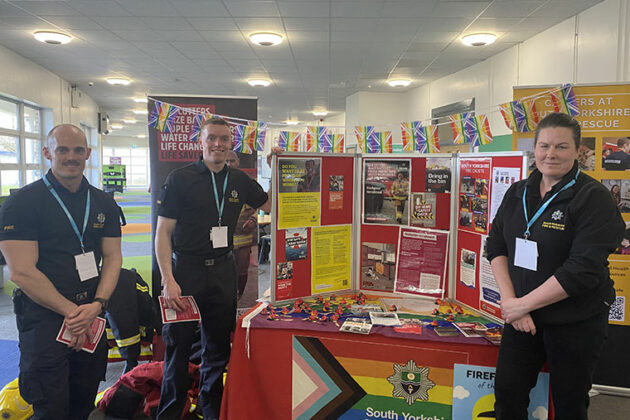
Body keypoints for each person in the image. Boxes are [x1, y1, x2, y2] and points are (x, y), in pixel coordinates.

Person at [486, 113, 624, 420]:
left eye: (562, 146)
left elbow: (581, 270)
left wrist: (521, 305)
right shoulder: (518, 191)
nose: (551, 154)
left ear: (578, 151)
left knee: (569, 405)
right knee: (507, 399)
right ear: (534, 149)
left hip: (575, 320)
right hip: (522, 317)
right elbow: (495, 246)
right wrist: (511, 303)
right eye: (544, 145)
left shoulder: (593, 198)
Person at [155, 117, 275, 419]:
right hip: (186, 272)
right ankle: (170, 413)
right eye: (212, 138)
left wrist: (277, 170)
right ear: (201, 141)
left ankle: (211, 413)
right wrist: (168, 279)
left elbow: (272, 206)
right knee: (178, 350)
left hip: (222, 271)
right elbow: (163, 233)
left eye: (224, 139)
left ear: (231, 142)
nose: (218, 145)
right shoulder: (180, 179)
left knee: (217, 350)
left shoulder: (239, 180)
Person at [0, 124, 122, 419]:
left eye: (78, 150)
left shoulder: (103, 201)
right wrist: (73, 312)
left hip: (91, 312)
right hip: (45, 317)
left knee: (84, 399)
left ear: (88, 154)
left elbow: (113, 257)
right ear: (47, 153)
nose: (71, 157)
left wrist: (97, 305)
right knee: (50, 404)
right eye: (62, 150)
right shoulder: (22, 203)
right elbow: (21, 272)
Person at [225, 150, 258, 299]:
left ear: (238, 162)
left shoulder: (247, 181)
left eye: (232, 161)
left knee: (242, 270)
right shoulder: (212, 180)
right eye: (226, 161)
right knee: (223, 271)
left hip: (243, 237)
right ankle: (227, 296)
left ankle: (239, 296)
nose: (229, 164)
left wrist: (253, 220)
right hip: (221, 238)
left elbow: (259, 206)